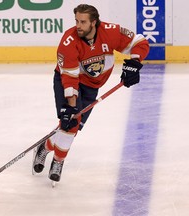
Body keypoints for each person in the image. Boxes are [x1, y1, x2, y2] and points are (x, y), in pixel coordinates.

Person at [33, 4, 149, 183]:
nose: (78, 25)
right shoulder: (68, 42)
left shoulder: (111, 32)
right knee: (70, 122)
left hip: (92, 86)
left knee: (73, 127)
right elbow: (70, 78)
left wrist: (134, 63)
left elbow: (139, 42)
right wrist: (71, 106)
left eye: (83, 22)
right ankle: (58, 161)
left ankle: (44, 148)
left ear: (94, 22)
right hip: (68, 81)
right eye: (76, 21)